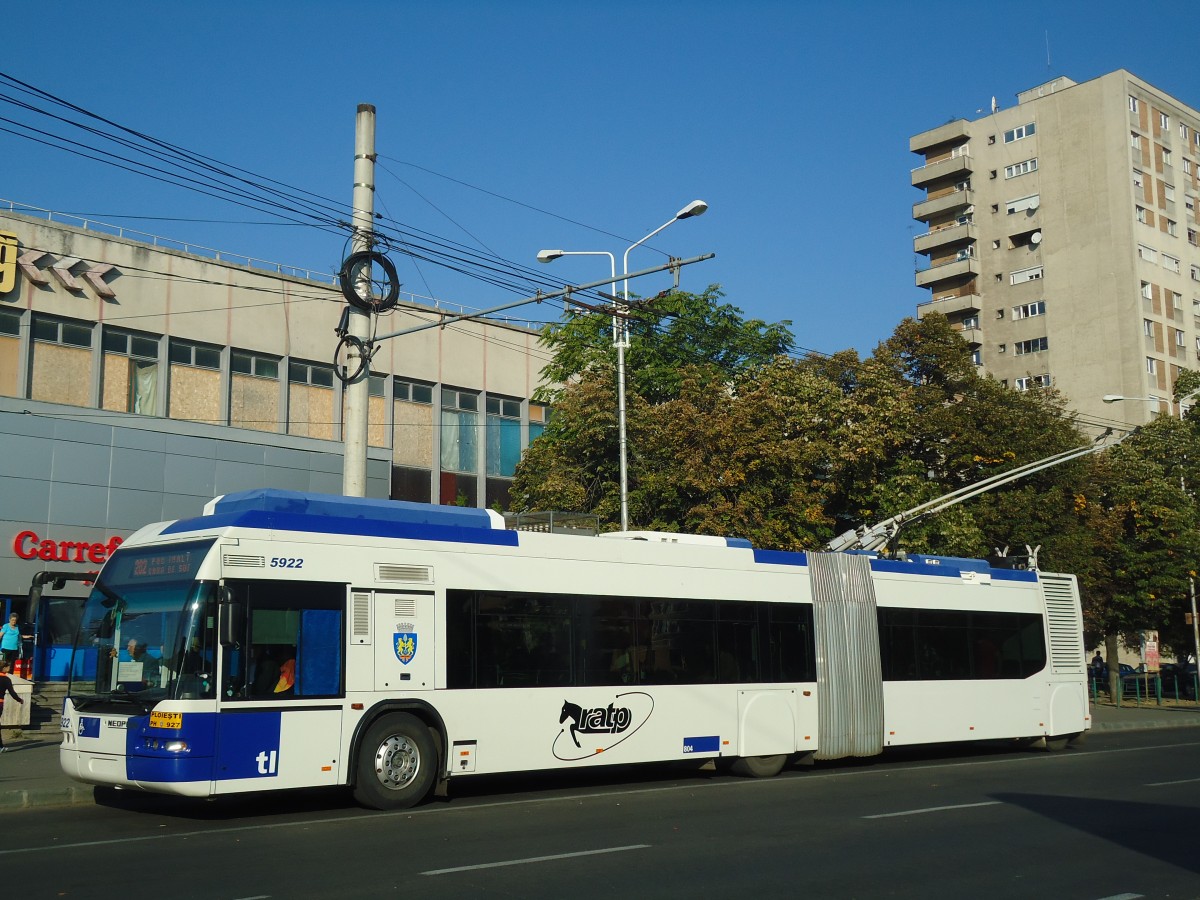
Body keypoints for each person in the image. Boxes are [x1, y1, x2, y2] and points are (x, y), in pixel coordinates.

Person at [0, 660, 26, 752]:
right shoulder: (6, 679)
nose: (9, 668)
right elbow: (12, 693)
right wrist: (20, 700)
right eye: (8, 667)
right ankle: (0, 747)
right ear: (3, 668)